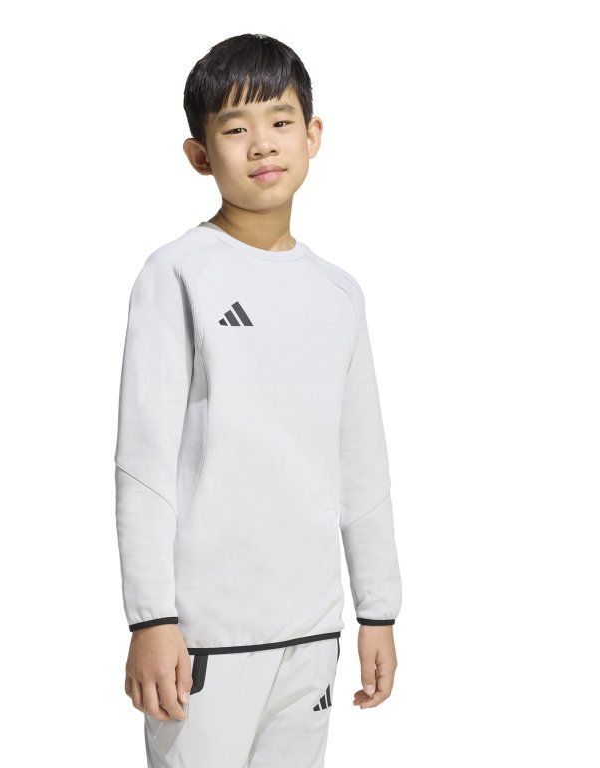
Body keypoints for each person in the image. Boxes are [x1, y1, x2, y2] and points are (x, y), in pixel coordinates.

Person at [113, 33, 402, 767]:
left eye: (280, 121)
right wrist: (150, 619)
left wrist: (378, 610)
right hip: (203, 635)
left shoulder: (339, 293)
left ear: (313, 135)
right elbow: (143, 461)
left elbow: (362, 464)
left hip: (311, 631)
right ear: (199, 155)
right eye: (236, 128)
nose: (263, 144)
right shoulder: (178, 273)